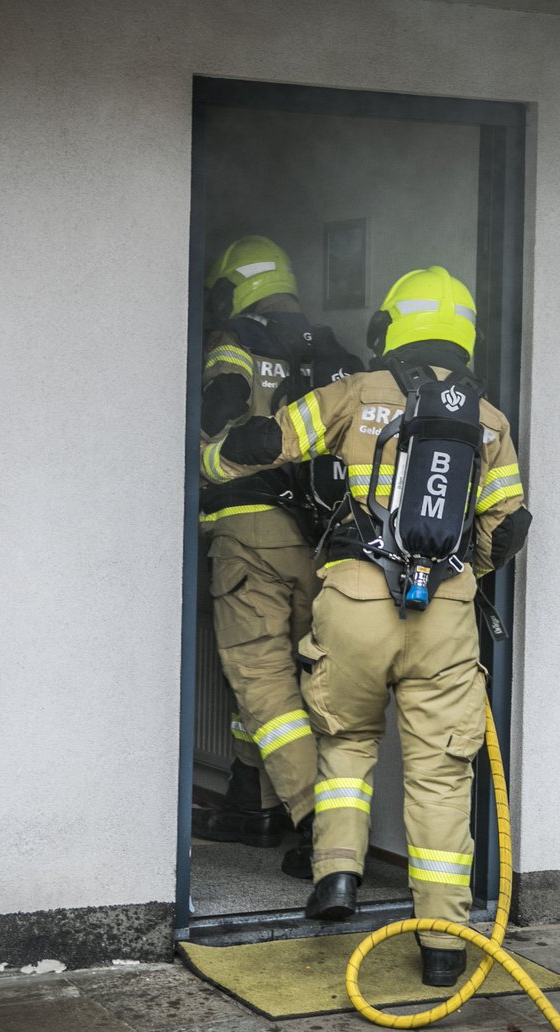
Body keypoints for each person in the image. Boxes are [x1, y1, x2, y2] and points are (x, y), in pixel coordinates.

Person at [205, 265, 531, 987]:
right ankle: (444, 942)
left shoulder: (358, 393)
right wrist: (461, 574)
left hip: (353, 599)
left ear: (392, 328)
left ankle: (338, 877)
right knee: (441, 775)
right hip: (444, 612)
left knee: (347, 743)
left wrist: (209, 458)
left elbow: (270, 440)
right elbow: (506, 529)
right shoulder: (491, 421)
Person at [196, 235, 357, 879]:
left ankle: (321, 829)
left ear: (235, 287)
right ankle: (252, 803)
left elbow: (214, 419)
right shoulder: (332, 351)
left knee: (261, 681)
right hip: (320, 545)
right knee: (295, 684)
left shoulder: (235, 341)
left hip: (249, 537)